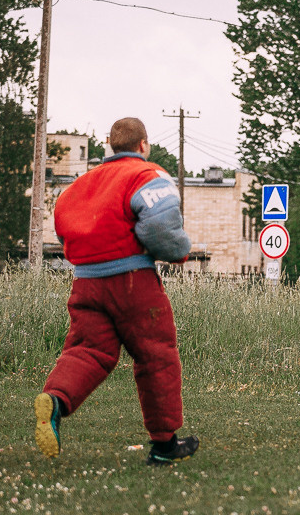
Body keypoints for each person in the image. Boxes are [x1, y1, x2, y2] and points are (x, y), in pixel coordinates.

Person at [35, 117, 199, 465]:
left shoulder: (81, 184)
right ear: (143, 145)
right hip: (131, 282)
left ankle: (55, 400)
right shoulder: (147, 175)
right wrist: (178, 252)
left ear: (110, 145)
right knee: (156, 354)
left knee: (87, 350)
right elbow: (161, 225)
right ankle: (164, 445)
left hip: (85, 282)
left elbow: (64, 224)